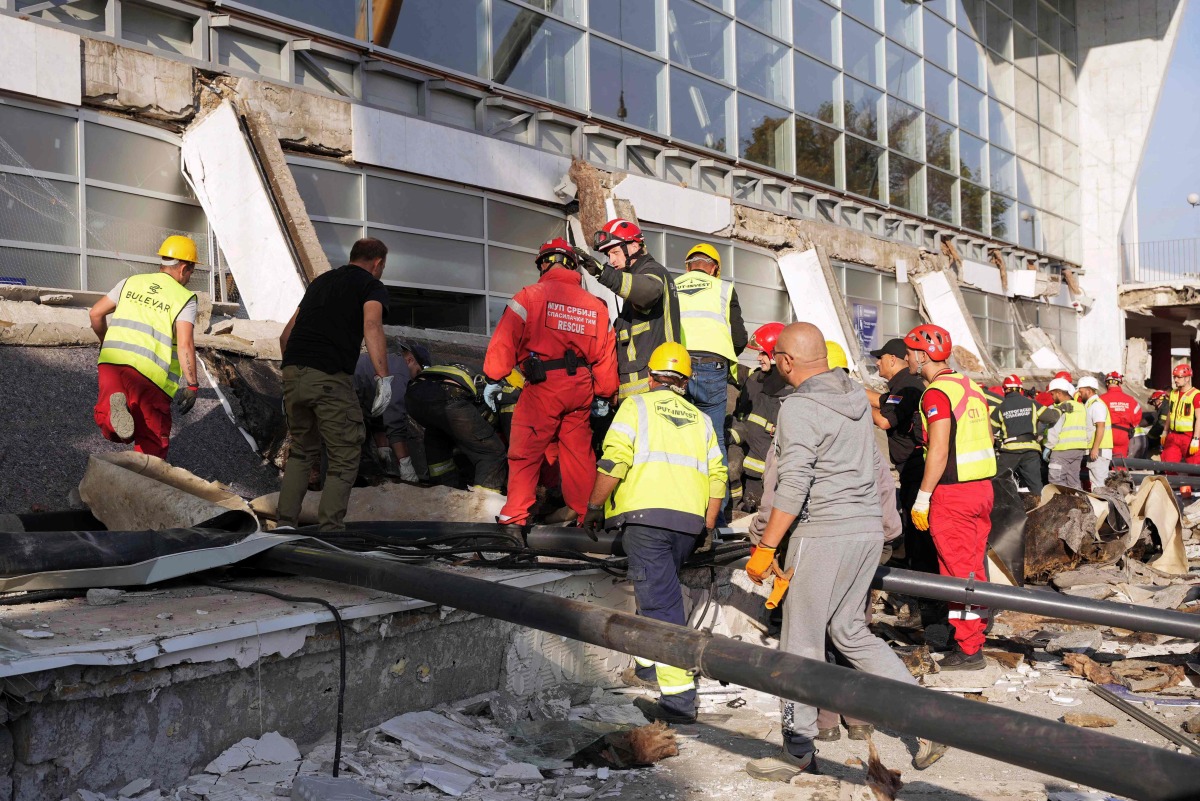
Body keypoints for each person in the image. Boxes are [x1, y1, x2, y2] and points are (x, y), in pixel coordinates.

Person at [743, 324, 946, 779]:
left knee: (800, 643)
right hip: (865, 532)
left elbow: (792, 486)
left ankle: (797, 750)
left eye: (775, 358)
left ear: (786, 361)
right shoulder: (855, 395)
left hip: (824, 534)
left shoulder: (799, 408)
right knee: (850, 631)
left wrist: (767, 545)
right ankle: (931, 719)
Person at [583, 343, 725, 724]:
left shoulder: (636, 407)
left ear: (650, 376)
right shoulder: (701, 420)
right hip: (687, 525)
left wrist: (595, 507)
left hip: (647, 521)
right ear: (685, 382)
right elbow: (718, 476)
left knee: (661, 605)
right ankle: (648, 668)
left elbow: (614, 460)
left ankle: (679, 701)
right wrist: (709, 524)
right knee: (657, 592)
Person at [483, 238, 618, 527]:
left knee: (525, 451)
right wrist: (605, 393)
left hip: (544, 385)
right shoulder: (597, 306)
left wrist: (494, 375)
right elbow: (605, 356)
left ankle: (515, 516)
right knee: (578, 455)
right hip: (581, 389)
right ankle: (586, 516)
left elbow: (505, 340)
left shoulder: (530, 296)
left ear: (544, 263)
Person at [277, 237, 392, 531]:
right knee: (344, 454)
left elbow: (285, 336)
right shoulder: (370, 285)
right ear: (377, 263)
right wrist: (383, 377)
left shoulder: (320, 282)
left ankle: (285, 526)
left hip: (293, 371)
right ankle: (331, 532)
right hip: (329, 377)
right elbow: (372, 325)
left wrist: (293, 374)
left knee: (302, 452)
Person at [905, 324, 996, 671]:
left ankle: (970, 649)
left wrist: (922, 497)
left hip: (953, 494)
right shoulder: (969, 386)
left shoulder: (935, 394)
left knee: (958, 575)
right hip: (982, 490)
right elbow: (987, 434)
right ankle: (975, 632)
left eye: (911, 351)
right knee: (973, 569)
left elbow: (939, 449)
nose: (908, 357)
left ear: (923, 355)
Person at [89, 236, 202, 459]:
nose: (189, 278)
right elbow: (185, 344)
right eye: (191, 272)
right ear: (183, 268)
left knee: (110, 423)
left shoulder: (130, 282)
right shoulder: (184, 298)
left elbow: (95, 313)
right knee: (152, 442)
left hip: (111, 363)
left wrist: (106, 343)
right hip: (149, 376)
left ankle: (114, 415)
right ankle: (144, 488)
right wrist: (192, 385)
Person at [574, 218, 680, 400]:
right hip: (641, 389)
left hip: (653, 387)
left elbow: (647, 291)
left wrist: (603, 273)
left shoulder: (653, 271)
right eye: (608, 255)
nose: (612, 260)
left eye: (615, 252)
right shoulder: (634, 277)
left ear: (634, 246)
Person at [673, 243, 747, 476]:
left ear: (688, 268)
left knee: (680, 437)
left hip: (676, 367)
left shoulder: (672, 286)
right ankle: (718, 510)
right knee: (713, 441)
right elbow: (739, 339)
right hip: (712, 367)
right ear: (714, 268)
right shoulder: (724, 288)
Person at [865, 336, 929, 571]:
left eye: (880, 358)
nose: (877, 363)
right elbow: (883, 402)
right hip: (909, 464)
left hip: (915, 465)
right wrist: (859, 392)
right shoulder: (902, 386)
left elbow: (884, 420)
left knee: (917, 527)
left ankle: (922, 582)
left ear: (892, 359)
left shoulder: (907, 386)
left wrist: (857, 402)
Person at [407, 359, 508, 493]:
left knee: (439, 438)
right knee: (491, 453)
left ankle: (441, 495)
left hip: (413, 396)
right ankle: (481, 506)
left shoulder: (473, 370)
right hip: (450, 394)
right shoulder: (506, 388)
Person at [728, 322, 791, 512]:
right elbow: (734, 372)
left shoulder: (790, 391)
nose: (758, 358)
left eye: (763, 353)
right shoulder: (754, 379)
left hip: (770, 476)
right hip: (746, 471)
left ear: (775, 355)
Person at [352, 342, 430, 482]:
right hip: (344, 393)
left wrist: (384, 451)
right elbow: (394, 421)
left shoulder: (391, 362)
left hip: (349, 391)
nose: (416, 379)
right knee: (351, 449)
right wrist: (406, 466)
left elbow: (377, 414)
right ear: (410, 360)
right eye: (418, 372)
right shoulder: (400, 373)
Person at [995, 375, 1057, 498]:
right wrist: (1061, 409)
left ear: (1005, 390)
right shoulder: (1032, 403)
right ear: (1020, 389)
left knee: (997, 481)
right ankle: (1040, 510)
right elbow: (1051, 417)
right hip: (1031, 451)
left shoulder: (1001, 408)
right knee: (1035, 485)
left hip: (1010, 452)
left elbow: (990, 429)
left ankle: (999, 511)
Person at [1042, 377, 1087, 490]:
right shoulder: (1081, 407)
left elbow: (1054, 430)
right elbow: (1089, 428)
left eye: (1052, 394)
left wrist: (1048, 447)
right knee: (1073, 481)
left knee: (1055, 482)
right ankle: (1079, 504)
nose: (1052, 397)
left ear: (1059, 393)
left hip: (1061, 450)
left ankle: (1062, 506)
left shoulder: (1058, 408)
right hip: (1079, 450)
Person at [1159, 364, 1200, 465]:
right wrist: (1165, 431)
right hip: (1173, 435)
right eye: (1174, 377)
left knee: (1194, 467)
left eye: (1179, 377)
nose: (1176, 380)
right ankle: (1172, 481)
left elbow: (1199, 418)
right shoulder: (1173, 394)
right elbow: (1170, 413)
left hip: (1189, 436)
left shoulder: (1196, 395)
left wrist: (1196, 439)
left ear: (1187, 378)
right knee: (1168, 464)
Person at [1076, 376, 1112, 489]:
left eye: (1081, 391)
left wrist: (1095, 448)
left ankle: (1103, 506)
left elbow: (1100, 427)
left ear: (1088, 390)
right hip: (1096, 450)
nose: (1079, 394)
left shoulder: (1097, 405)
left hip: (1099, 450)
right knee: (1095, 483)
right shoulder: (1090, 405)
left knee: (1099, 484)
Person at [1100, 372, 1141, 460]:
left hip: (1106, 434)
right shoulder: (1131, 400)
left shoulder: (1101, 399)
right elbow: (1137, 415)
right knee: (1120, 462)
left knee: (1103, 462)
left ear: (1107, 383)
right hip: (1124, 434)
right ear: (1119, 383)